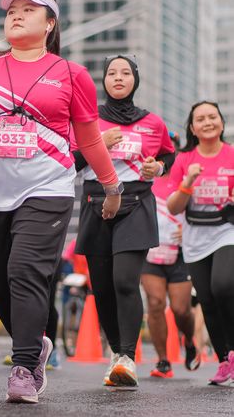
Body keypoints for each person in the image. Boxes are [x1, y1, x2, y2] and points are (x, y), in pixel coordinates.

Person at [0, 0, 121, 403]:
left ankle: (24, 368)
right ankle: (35, 343)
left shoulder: (71, 74)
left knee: (25, 271)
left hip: (47, 187)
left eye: (29, 10)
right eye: (12, 10)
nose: (17, 15)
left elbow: (89, 138)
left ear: (50, 24)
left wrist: (111, 186)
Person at [74, 54, 175, 390]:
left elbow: (168, 155)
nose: (118, 78)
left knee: (124, 281)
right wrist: (96, 144)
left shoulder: (152, 122)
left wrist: (158, 168)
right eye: (112, 73)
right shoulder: (87, 119)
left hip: (136, 204)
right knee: (102, 288)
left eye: (126, 73)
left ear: (135, 80)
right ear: (103, 80)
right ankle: (117, 352)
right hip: (96, 203)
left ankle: (128, 357)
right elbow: (69, 161)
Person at [167, 101, 234, 386]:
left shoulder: (232, 155)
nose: (207, 122)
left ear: (221, 122)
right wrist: (189, 181)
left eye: (212, 117)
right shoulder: (184, 159)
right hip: (195, 237)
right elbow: (173, 207)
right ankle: (224, 360)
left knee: (223, 285)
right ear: (193, 128)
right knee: (206, 299)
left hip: (227, 231)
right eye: (201, 119)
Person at [141, 132, 199, 378]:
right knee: (155, 304)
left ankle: (189, 340)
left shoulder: (188, 174)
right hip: (150, 251)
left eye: (170, 150)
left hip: (180, 252)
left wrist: (189, 230)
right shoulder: (143, 175)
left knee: (180, 309)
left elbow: (201, 208)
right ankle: (163, 361)